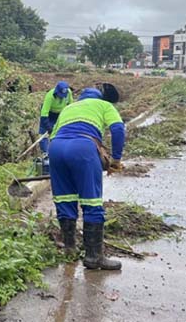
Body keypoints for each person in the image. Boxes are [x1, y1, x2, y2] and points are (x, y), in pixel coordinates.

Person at [48, 87, 125, 270]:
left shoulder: (69, 108)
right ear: (99, 97)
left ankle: (70, 249)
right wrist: (116, 159)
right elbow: (118, 129)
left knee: (64, 198)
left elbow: (53, 135)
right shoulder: (104, 105)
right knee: (91, 201)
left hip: (56, 148)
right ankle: (93, 257)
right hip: (83, 147)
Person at [39, 81, 73, 154]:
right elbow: (44, 113)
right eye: (60, 95)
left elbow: (71, 106)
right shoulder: (50, 96)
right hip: (49, 115)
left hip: (61, 114)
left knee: (58, 134)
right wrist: (49, 128)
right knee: (43, 135)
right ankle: (45, 154)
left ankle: (56, 151)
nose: (61, 97)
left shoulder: (68, 92)